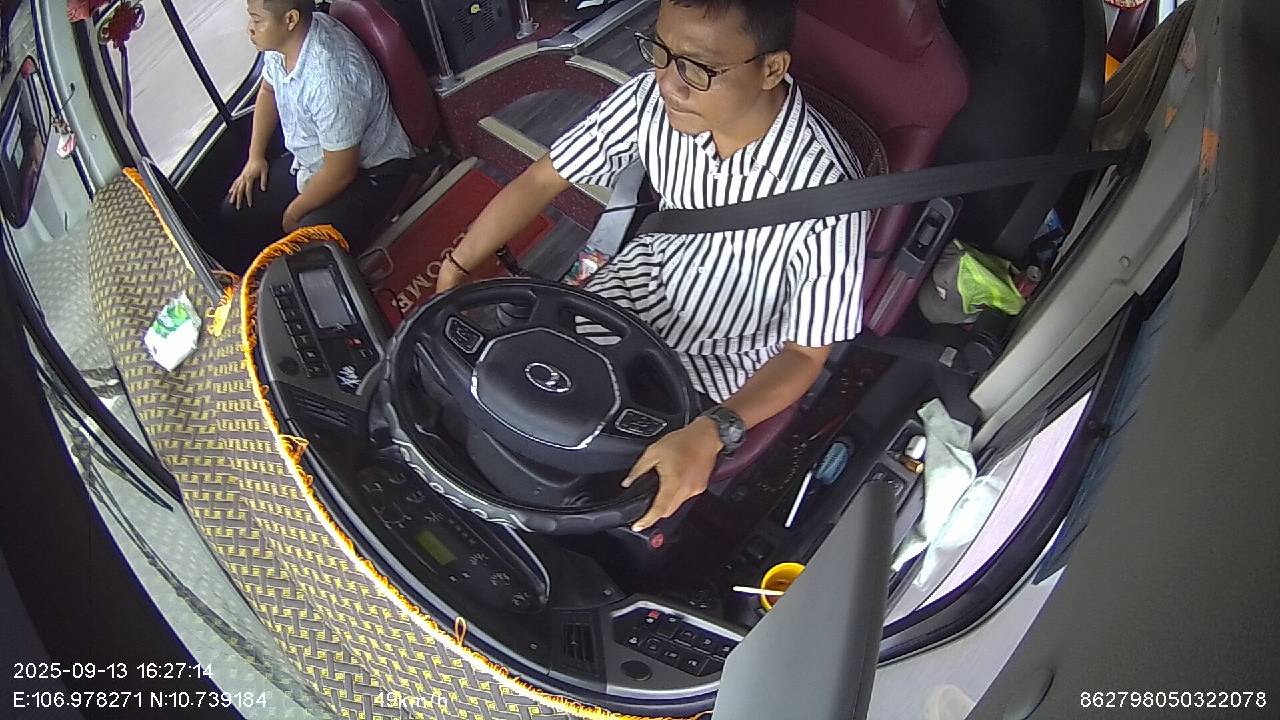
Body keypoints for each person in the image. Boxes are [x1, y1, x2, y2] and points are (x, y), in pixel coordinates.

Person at [437, 0, 869, 532]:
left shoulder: (828, 197)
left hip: (717, 370)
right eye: (660, 51)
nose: (670, 84)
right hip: (624, 298)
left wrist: (714, 430)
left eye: (698, 68)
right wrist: (457, 267)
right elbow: (545, 178)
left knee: (581, 497)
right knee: (488, 406)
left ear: (771, 69)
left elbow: (805, 354)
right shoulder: (650, 98)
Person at [220, 0, 414, 270]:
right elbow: (268, 90)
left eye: (257, 20)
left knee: (307, 256)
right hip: (314, 162)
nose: (250, 29)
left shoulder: (330, 78)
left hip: (371, 173)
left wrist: (295, 210)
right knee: (235, 210)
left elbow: (341, 172)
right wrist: (255, 157)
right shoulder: (282, 46)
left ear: (290, 19)